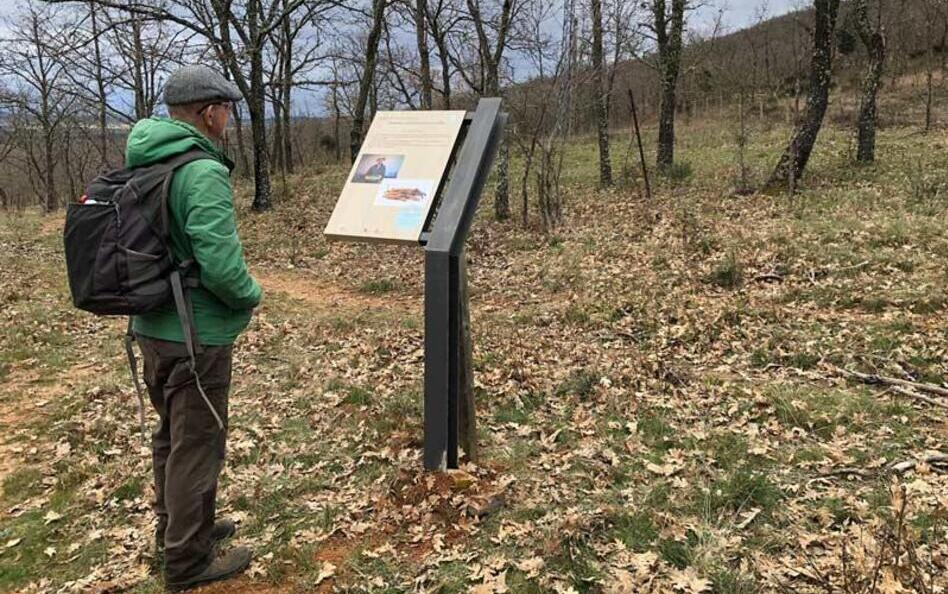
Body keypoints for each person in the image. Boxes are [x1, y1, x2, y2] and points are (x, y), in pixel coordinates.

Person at [125, 65, 262, 592]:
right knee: (198, 443)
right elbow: (221, 266)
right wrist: (252, 294)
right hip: (195, 333)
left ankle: (181, 530)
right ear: (209, 112)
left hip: (151, 326)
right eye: (225, 108)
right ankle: (186, 562)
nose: (227, 116)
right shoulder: (201, 170)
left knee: (172, 436)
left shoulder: (147, 158)